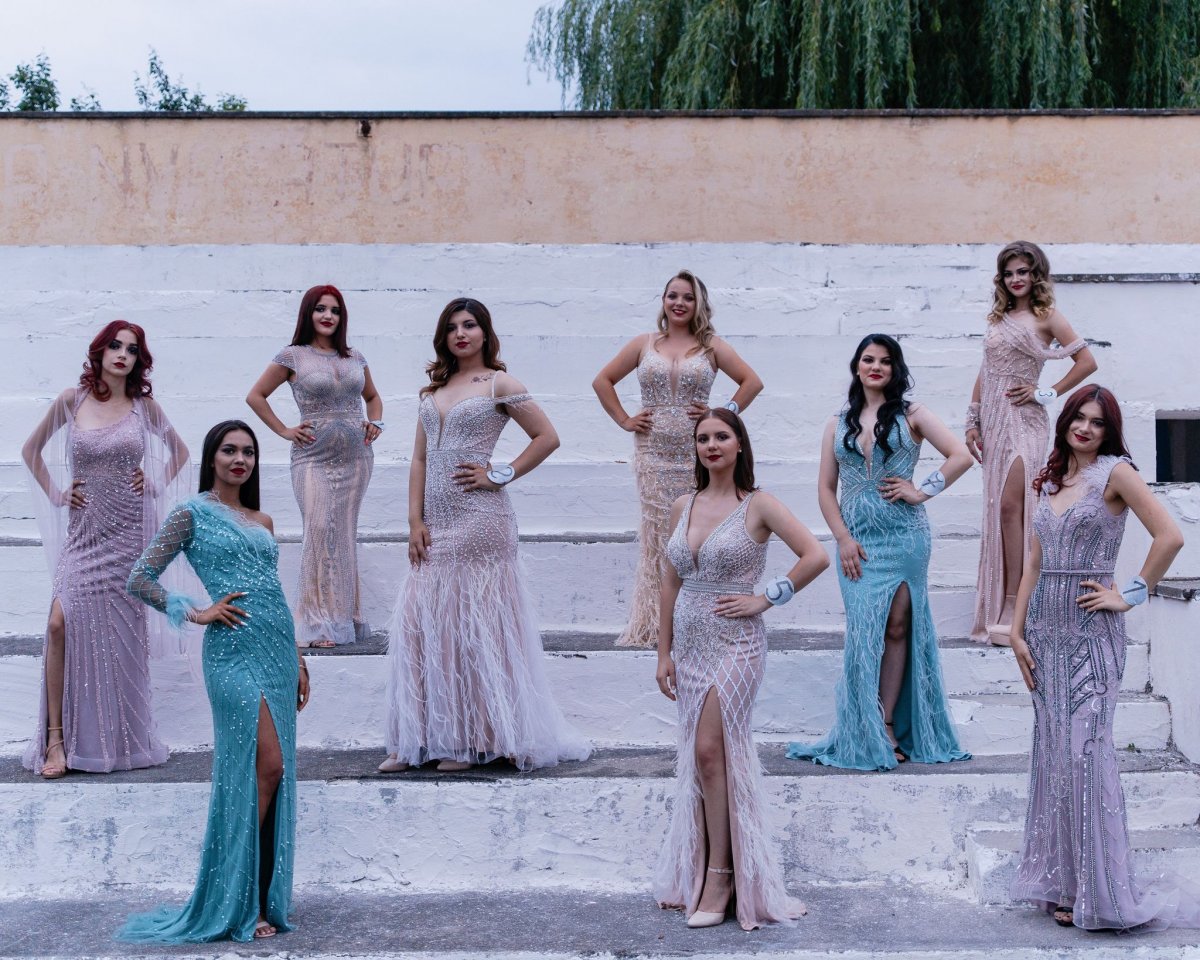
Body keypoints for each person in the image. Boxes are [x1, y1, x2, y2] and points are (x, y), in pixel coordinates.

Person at [1008, 386, 1199, 930]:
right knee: (1054, 756)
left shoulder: (1116, 473)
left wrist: (1130, 594)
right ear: (1065, 420)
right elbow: (1033, 563)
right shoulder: (1050, 479)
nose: (1085, 428)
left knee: (1085, 754)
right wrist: (1016, 632)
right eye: (1078, 417)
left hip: (1092, 633)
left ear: (1109, 430)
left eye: (1097, 422)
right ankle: (1066, 884)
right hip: (1043, 633)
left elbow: (1170, 536)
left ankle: (1103, 891)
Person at [379, 298, 590, 773]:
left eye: (470, 325)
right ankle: (417, 739)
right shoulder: (432, 391)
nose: (461, 333)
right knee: (420, 624)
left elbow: (547, 437)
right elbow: (419, 459)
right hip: (435, 525)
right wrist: (414, 522)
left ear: (484, 333)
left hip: (481, 522)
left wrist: (500, 473)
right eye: (452, 327)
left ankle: (471, 739)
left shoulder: (500, 384)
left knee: (471, 630)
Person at [120, 420, 309, 942]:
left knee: (274, 770)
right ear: (212, 458)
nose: (240, 460)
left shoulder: (262, 520)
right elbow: (139, 578)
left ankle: (256, 897)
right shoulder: (191, 514)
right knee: (265, 765)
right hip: (231, 655)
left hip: (276, 651)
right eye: (229, 450)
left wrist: (297, 657)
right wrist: (198, 612)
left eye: (248, 452)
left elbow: (272, 591)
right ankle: (232, 896)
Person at [654, 409, 826, 930]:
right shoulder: (683, 504)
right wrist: (663, 652)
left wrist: (766, 598)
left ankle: (722, 875)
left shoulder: (759, 505)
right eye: (703, 438)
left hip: (737, 643)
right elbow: (669, 579)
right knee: (702, 758)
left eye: (721, 436)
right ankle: (706, 867)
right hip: (690, 644)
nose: (711, 445)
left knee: (712, 751)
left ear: (739, 444)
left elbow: (815, 555)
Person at [787, 334, 972, 771]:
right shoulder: (837, 423)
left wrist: (921, 491)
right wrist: (842, 538)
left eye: (885, 361)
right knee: (863, 633)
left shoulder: (913, 414)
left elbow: (961, 456)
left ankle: (887, 725)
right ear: (857, 365)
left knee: (898, 627)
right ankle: (860, 727)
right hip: (857, 543)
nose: (876, 367)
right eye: (868, 359)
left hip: (905, 538)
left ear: (895, 369)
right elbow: (825, 489)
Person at [21, 320, 190, 778]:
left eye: (132, 350)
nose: (122, 355)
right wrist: (58, 494)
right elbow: (31, 451)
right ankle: (56, 741)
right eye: (115, 345)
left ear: (138, 360)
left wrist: (154, 482)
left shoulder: (144, 407)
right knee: (58, 624)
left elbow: (180, 452)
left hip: (130, 534)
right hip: (84, 535)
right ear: (99, 350)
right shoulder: (71, 400)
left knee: (121, 640)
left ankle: (116, 741)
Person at [594, 270, 763, 649]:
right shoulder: (643, 343)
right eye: (673, 296)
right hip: (653, 452)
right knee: (658, 533)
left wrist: (723, 412)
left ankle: (696, 615)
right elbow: (602, 381)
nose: (679, 303)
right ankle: (655, 623)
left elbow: (752, 382)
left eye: (688, 297)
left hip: (696, 452)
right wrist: (624, 420)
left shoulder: (711, 346)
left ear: (698, 303)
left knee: (694, 530)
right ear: (663, 301)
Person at [965, 242, 1096, 645]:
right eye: (1009, 273)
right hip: (993, 421)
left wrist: (1047, 393)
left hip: (1025, 421)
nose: (1015, 279)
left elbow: (1087, 362)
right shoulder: (999, 317)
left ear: (1036, 274)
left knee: (1015, 506)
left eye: (1023, 271)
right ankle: (1005, 602)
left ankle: (1015, 602)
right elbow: (987, 370)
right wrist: (973, 419)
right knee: (999, 509)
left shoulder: (1047, 316)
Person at [247, 284, 382, 648]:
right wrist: (284, 430)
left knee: (344, 533)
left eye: (335, 310)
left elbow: (372, 397)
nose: (328, 316)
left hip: (356, 459)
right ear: (308, 313)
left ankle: (344, 619)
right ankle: (315, 621)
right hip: (312, 457)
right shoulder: (292, 356)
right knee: (319, 528)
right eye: (321, 308)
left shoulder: (355, 357)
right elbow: (255, 396)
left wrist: (376, 423)